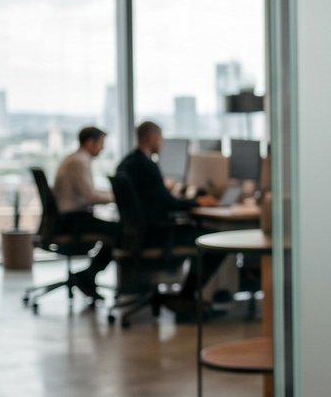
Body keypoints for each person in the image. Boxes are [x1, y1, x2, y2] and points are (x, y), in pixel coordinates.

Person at [114, 121, 217, 315]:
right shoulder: (147, 166)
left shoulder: (127, 162)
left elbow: (154, 199)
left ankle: (186, 297)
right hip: (157, 235)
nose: (161, 144)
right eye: (160, 139)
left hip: (140, 234)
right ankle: (186, 298)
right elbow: (168, 203)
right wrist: (197, 202)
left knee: (202, 234)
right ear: (152, 138)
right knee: (212, 242)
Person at [51, 125, 122, 299]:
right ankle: (89, 274)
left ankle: (89, 274)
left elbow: (88, 192)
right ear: (90, 143)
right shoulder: (79, 162)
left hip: (70, 217)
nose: (103, 148)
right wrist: (118, 197)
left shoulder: (75, 159)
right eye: (101, 143)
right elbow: (90, 196)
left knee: (115, 229)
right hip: (74, 220)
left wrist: (112, 195)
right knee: (120, 231)